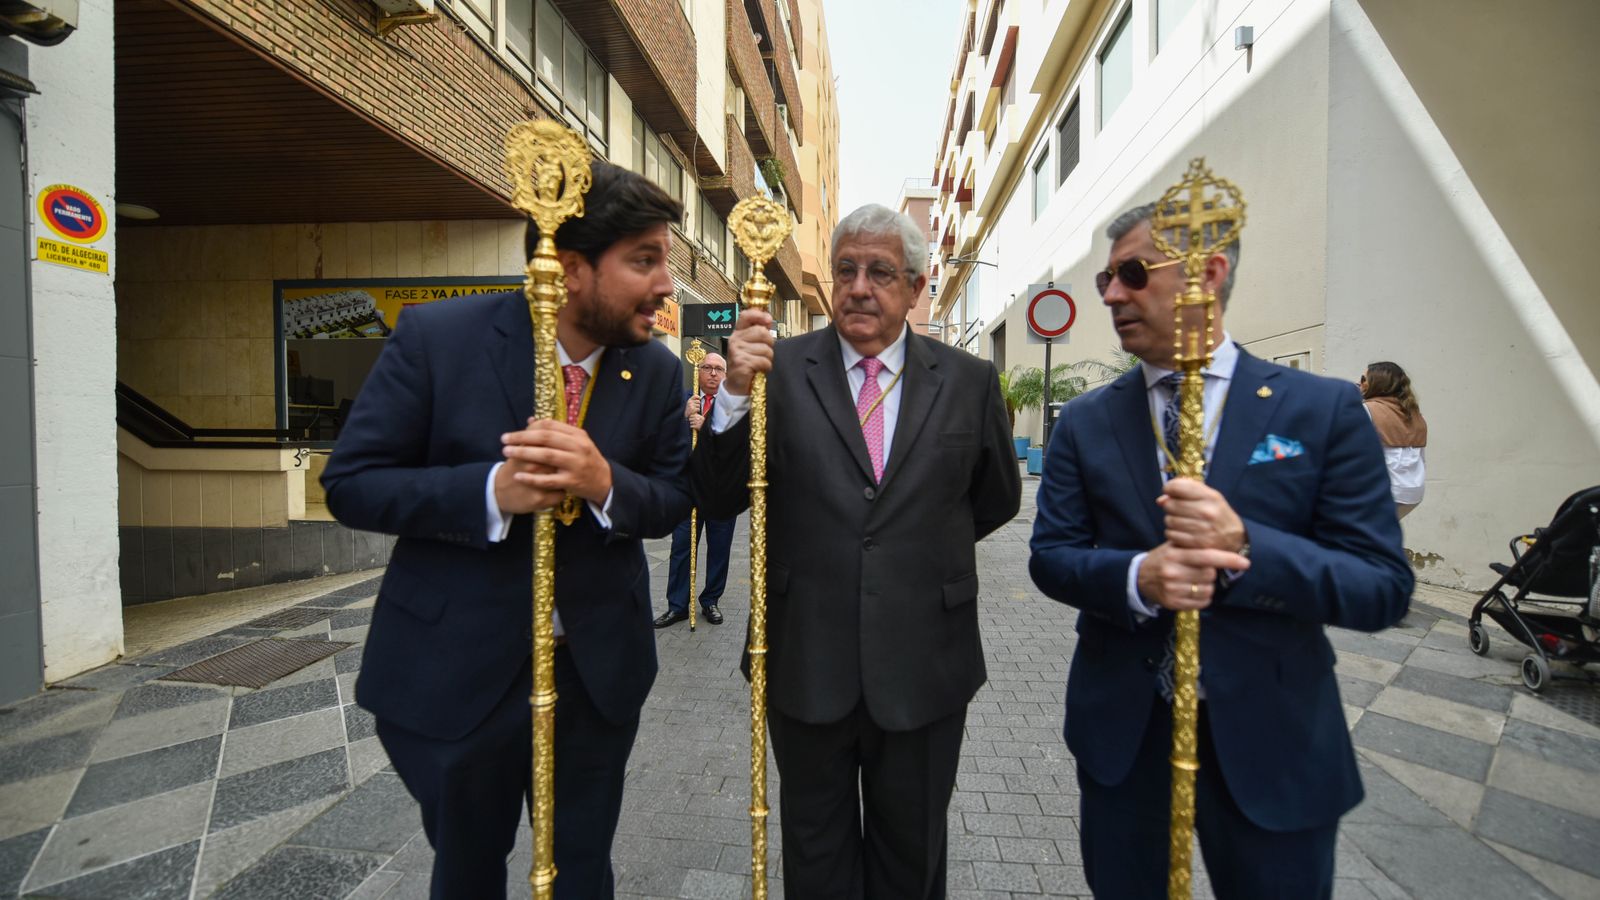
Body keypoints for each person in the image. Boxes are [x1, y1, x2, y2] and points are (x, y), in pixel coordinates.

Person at [321, 162, 691, 900]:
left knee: (582, 870)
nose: (667, 285)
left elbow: (674, 498)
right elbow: (351, 483)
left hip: (595, 676)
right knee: (466, 870)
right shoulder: (439, 335)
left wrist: (604, 483)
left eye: (666, 261)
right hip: (453, 676)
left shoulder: (655, 372)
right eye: (644, 261)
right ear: (573, 267)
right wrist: (489, 491)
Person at [1027, 202, 1413, 899]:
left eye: (1134, 274)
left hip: (1275, 747)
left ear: (1207, 273)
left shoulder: (1320, 411)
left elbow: (1382, 586)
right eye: (1105, 281)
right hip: (1125, 742)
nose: (1114, 295)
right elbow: (1051, 555)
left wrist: (1247, 546)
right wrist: (1138, 576)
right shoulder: (1086, 420)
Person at [692, 204, 1021, 898]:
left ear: (916, 286)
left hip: (928, 663)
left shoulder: (968, 381)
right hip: (805, 657)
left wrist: (916, 556)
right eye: (846, 270)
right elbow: (717, 498)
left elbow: (994, 499)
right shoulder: (779, 370)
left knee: (914, 858)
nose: (860, 287)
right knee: (815, 856)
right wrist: (734, 398)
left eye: (880, 272)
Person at [655, 352, 735, 628]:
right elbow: (665, 440)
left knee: (719, 548)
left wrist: (708, 428)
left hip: (721, 491)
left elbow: (740, 449)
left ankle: (710, 600)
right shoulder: (684, 400)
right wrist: (684, 416)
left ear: (725, 374)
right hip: (687, 491)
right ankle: (677, 605)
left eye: (718, 369)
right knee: (681, 547)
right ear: (698, 371)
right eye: (707, 367)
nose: (713, 373)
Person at [1361, 361, 1427, 519]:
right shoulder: (1415, 414)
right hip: (1413, 492)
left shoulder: (1367, 410)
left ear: (1377, 383)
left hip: (1384, 491)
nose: (1360, 383)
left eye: (1364, 378)